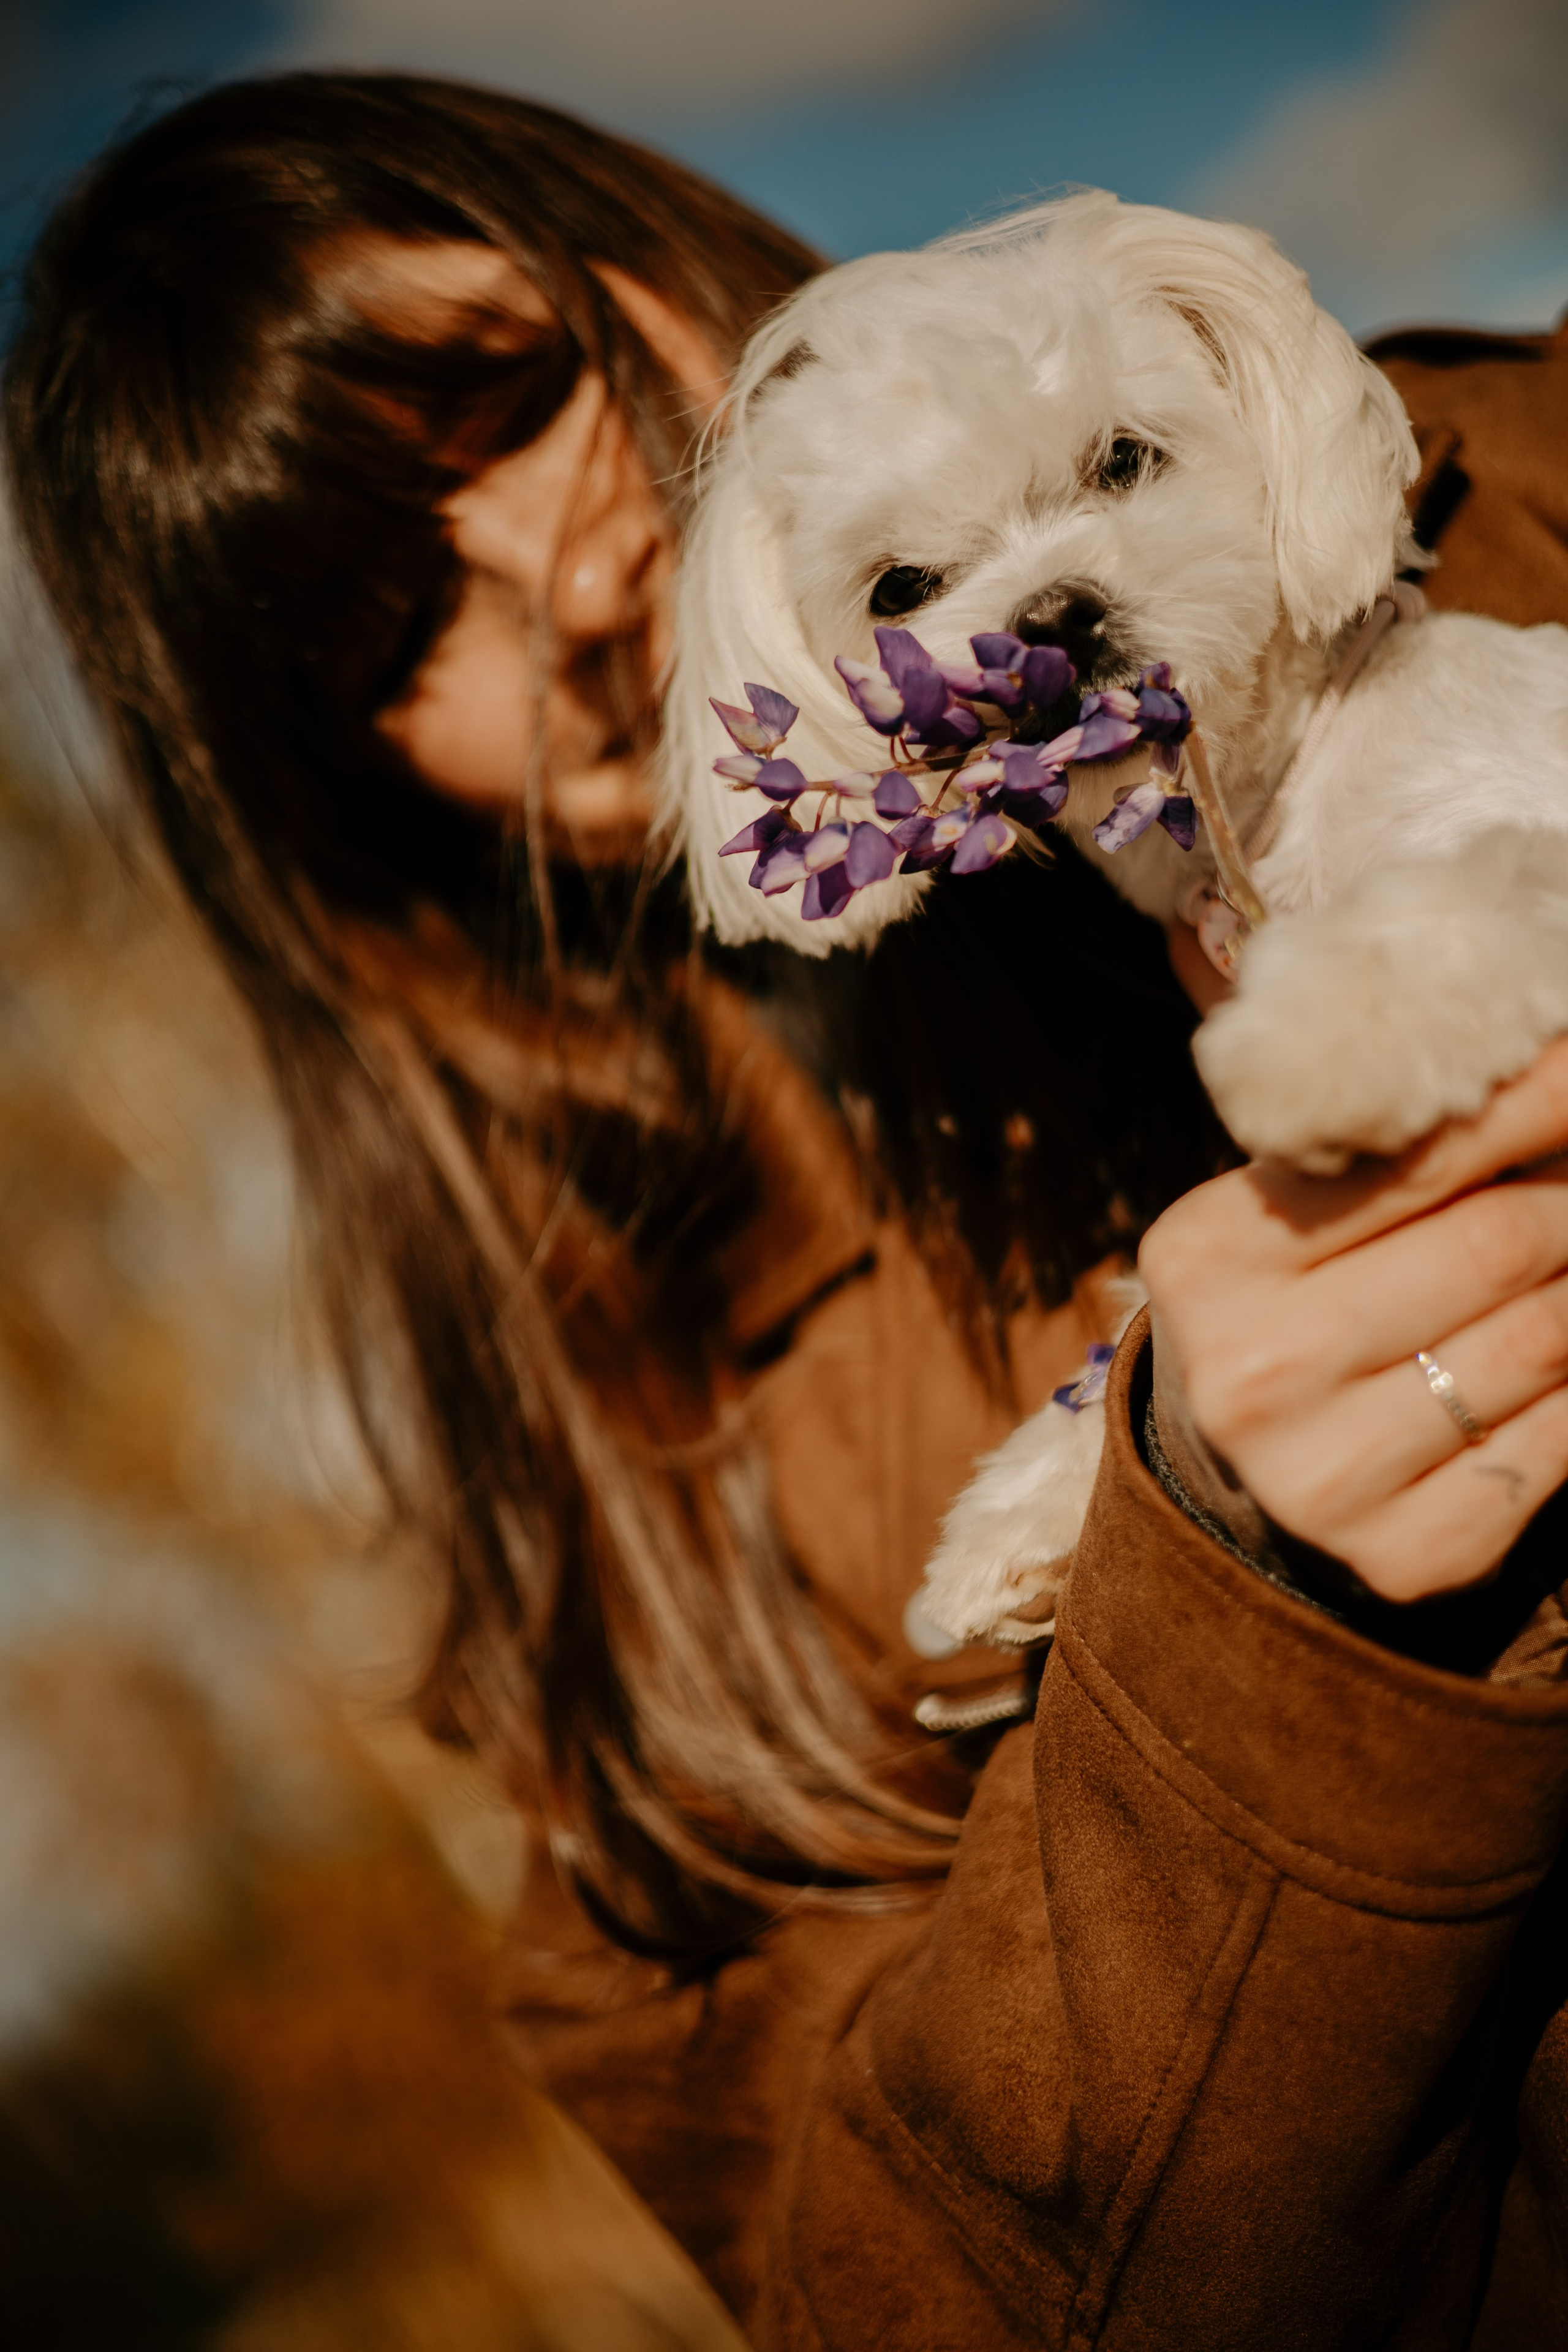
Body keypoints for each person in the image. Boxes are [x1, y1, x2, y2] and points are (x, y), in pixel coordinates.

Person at [9, 68, 1568, 2346]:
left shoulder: (1520, 497)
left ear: (628, 236)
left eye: (515, 397)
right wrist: (1230, 1613)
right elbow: (897, 2297)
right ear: (336, 794)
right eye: (376, 625)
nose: (556, 574)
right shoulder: (614, 1555)